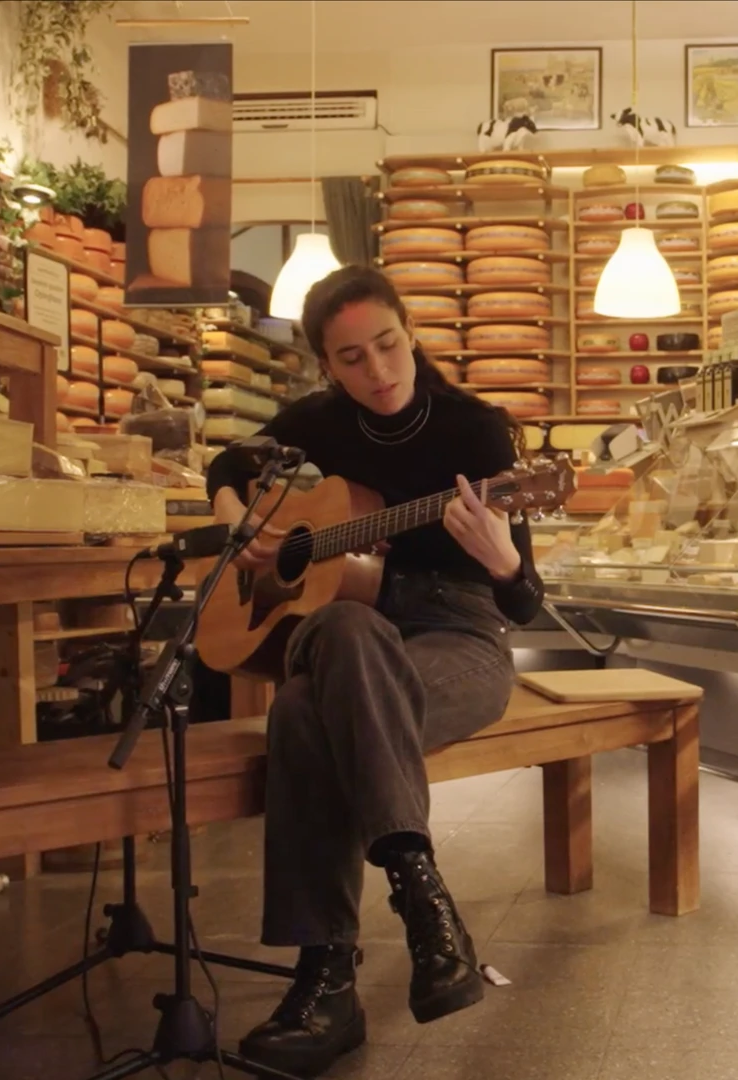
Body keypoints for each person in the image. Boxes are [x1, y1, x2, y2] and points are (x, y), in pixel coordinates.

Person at [205, 265, 545, 1077]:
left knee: (302, 712)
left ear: (411, 332)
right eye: (352, 358)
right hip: (342, 634)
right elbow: (227, 463)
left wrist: (502, 559)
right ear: (328, 366)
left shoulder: (476, 432)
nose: (378, 370)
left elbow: (526, 603)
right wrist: (239, 520)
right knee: (348, 625)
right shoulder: (317, 424)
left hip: (457, 637)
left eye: (388, 345)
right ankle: (423, 901)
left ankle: (324, 984)